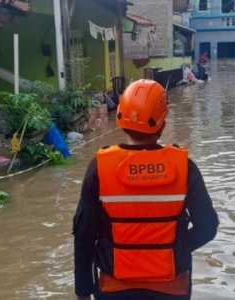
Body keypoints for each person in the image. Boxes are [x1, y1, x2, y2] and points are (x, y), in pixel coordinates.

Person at [73, 79, 219, 300]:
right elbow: (207, 227)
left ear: (121, 117)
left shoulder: (100, 166)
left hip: (115, 289)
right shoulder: (184, 166)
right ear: (162, 123)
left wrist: (83, 291)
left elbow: (84, 234)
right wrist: (172, 251)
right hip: (171, 288)